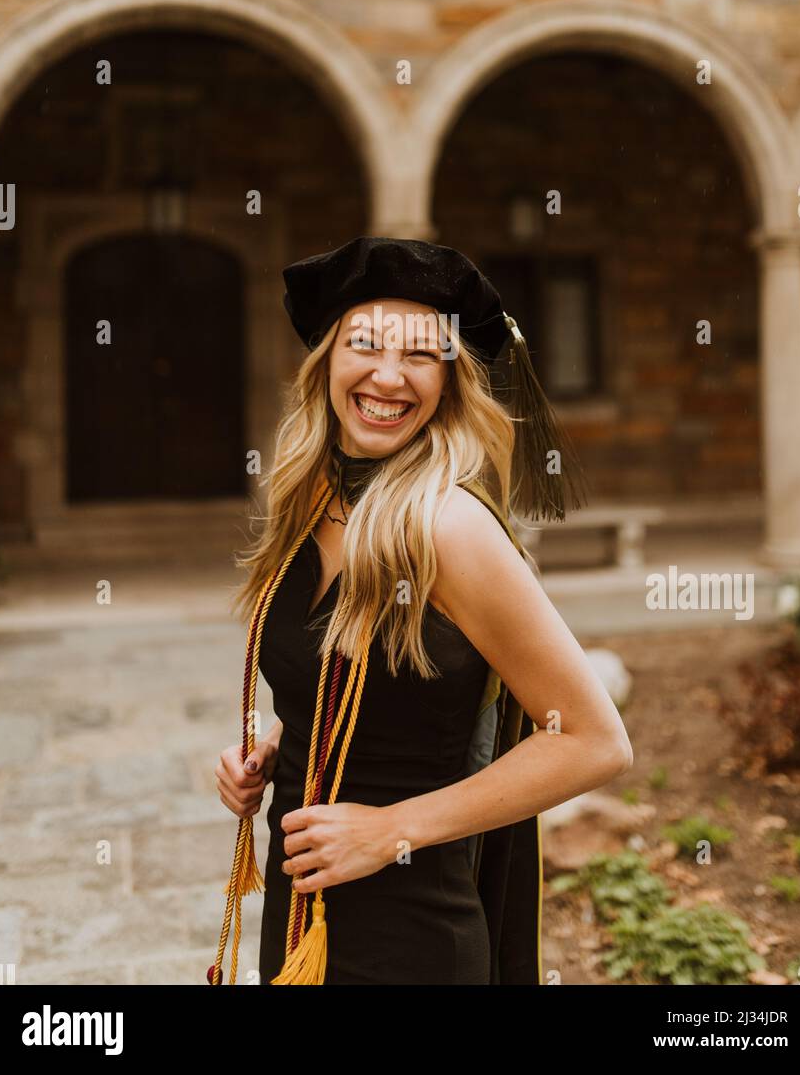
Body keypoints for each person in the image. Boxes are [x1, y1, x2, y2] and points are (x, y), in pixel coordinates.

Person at [210, 236, 633, 986]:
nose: (387, 376)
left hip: (409, 928)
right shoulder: (312, 500)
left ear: (449, 380)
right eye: (364, 345)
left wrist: (390, 830)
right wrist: (277, 750)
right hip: (305, 899)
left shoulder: (448, 527)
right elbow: (359, 677)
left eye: (420, 356)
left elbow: (594, 741)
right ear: (326, 362)